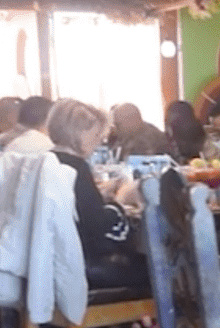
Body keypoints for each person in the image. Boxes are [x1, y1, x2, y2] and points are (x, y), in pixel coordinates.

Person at [47, 99, 147, 293]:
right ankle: (140, 322)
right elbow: (98, 227)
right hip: (83, 265)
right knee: (157, 267)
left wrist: (99, 195)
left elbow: (77, 206)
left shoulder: (50, 161)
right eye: (95, 134)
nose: (99, 141)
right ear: (79, 132)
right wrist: (121, 199)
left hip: (53, 261)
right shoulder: (77, 166)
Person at [107, 103, 171, 161]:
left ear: (131, 121)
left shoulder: (149, 138)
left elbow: (137, 164)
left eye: (118, 124)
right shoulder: (129, 134)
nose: (116, 129)